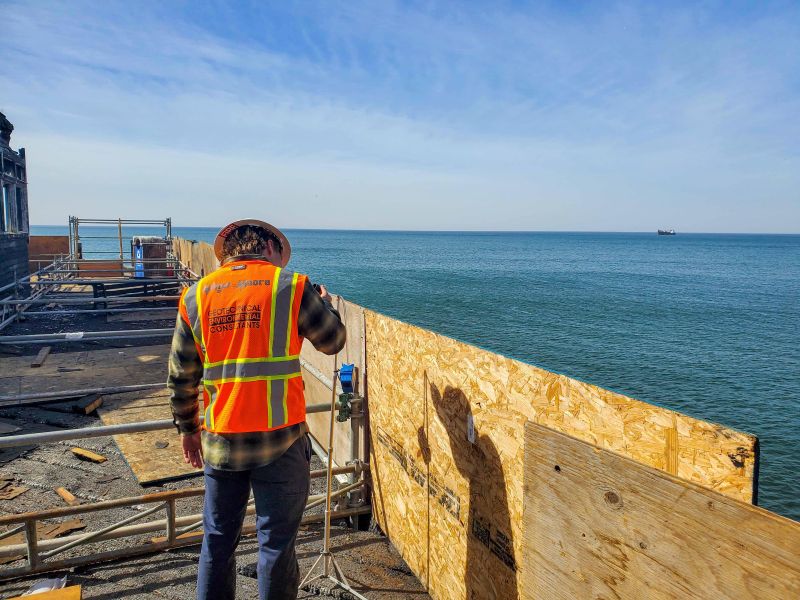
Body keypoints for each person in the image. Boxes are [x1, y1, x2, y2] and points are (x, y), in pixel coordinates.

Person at [167, 219, 346, 599]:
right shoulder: (293, 287)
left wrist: (188, 431)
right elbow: (332, 341)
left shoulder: (196, 296)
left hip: (220, 440)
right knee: (276, 547)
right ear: (268, 247)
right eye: (281, 257)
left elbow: (182, 376)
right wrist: (325, 303)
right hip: (281, 440)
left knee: (216, 542)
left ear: (229, 252)